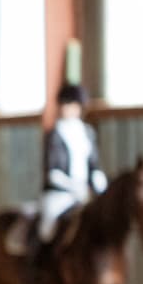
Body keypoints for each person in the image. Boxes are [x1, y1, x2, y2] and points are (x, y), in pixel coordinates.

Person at [38, 83, 108, 247]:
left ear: (78, 107)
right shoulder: (54, 133)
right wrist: (74, 186)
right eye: (63, 104)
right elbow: (52, 172)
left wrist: (100, 181)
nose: (65, 108)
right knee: (45, 229)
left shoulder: (87, 133)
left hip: (85, 195)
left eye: (69, 104)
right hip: (59, 194)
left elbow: (93, 165)